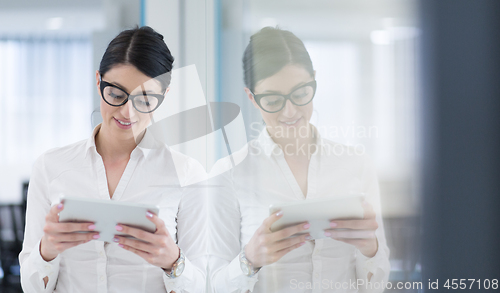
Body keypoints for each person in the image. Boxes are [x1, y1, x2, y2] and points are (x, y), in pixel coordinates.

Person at [19, 26, 207, 293]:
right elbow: (31, 287)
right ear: (98, 82)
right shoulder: (51, 167)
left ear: (163, 96)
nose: (127, 112)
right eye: (116, 94)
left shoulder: (187, 174)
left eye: (145, 99)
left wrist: (173, 261)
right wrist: (46, 251)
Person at [208, 27, 390, 292]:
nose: (290, 110)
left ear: (314, 81)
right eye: (272, 99)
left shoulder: (355, 164)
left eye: (300, 93)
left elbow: (375, 285)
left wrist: (370, 249)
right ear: (252, 98)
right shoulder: (229, 174)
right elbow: (212, 286)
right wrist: (250, 260)